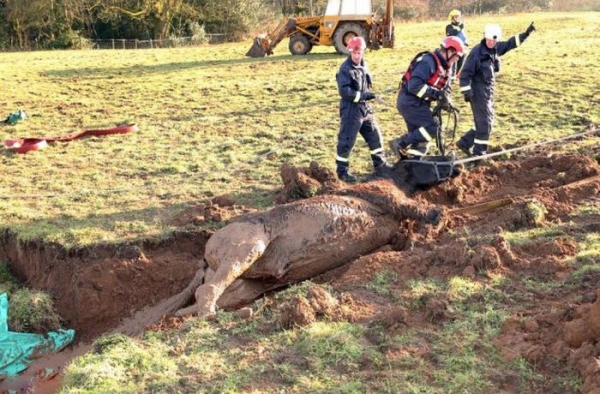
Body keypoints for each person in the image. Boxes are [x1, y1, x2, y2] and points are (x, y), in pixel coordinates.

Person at [456, 22, 536, 157]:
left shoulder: (495, 48)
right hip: (478, 93)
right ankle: (479, 154)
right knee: (485, 124)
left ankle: (465, 142)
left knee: (488, 121)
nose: (491, 43)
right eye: (489, 40)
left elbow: (511, 43)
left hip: (487, 92)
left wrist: (526, 34)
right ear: (485, 37)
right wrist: (467, 91)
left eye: (493, 41)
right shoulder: (476, 53)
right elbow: (465, 74)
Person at [389, 36, 466, 160]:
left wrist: (446, 100)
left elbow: (446, 88)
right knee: (433, 128)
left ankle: (413, 164)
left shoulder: (447, 67)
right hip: (409, 102)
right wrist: (436, 94)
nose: (456, 60)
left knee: (421, 138)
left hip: (420, 103)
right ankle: (399, 143)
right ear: (449, 51)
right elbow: (413, 86)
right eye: (456, 57)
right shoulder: (428, 62)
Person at [335, 36, 390, 183]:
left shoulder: (364, 65)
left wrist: (368, 97)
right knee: (346, 141)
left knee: (375, 137)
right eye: (354, 53)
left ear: (363, 52)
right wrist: (366, 95)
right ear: (350, 52)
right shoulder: (345, 69)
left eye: (359, 53)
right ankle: (342, 173)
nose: (356, 56)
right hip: (351, 110)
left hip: (365, 109)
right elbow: (345, 92)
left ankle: (381, 167)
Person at [445, 9, 468, 78]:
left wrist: (466, 43)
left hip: (462, 48)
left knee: (461, 65)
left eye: (459, 16)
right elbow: (452, 33)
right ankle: (451, 77)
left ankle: (458, 77)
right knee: (453, 65)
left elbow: (464, 37)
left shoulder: (461, 26)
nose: (458, 18)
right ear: (452, 18)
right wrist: (460, 27)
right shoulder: (449, 27)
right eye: (457, 16)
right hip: (454, 49)